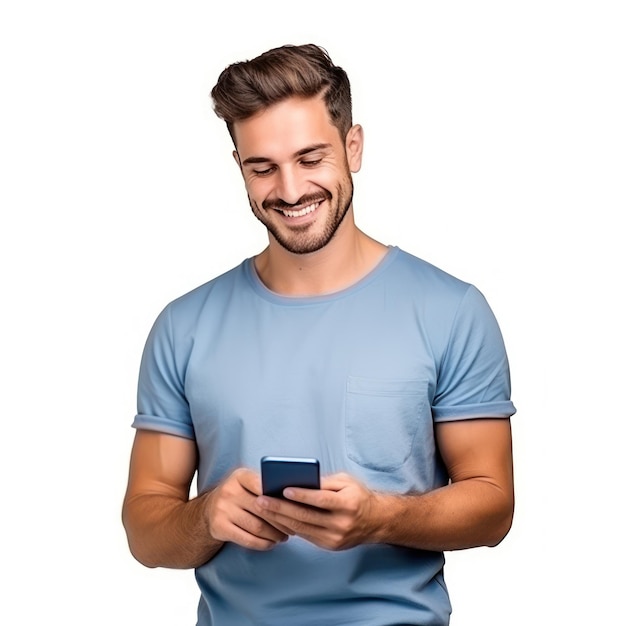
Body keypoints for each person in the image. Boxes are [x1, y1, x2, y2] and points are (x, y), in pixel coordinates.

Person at [122, 43, 516, 626]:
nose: (289, 189)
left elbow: (493, 505)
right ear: (239, 166)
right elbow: (145, 528)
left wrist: (382, 517)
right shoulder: (184, 326)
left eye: (311, 158)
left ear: (352, 148)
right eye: (263, 167)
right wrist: (204, 517)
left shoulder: (451, 310)